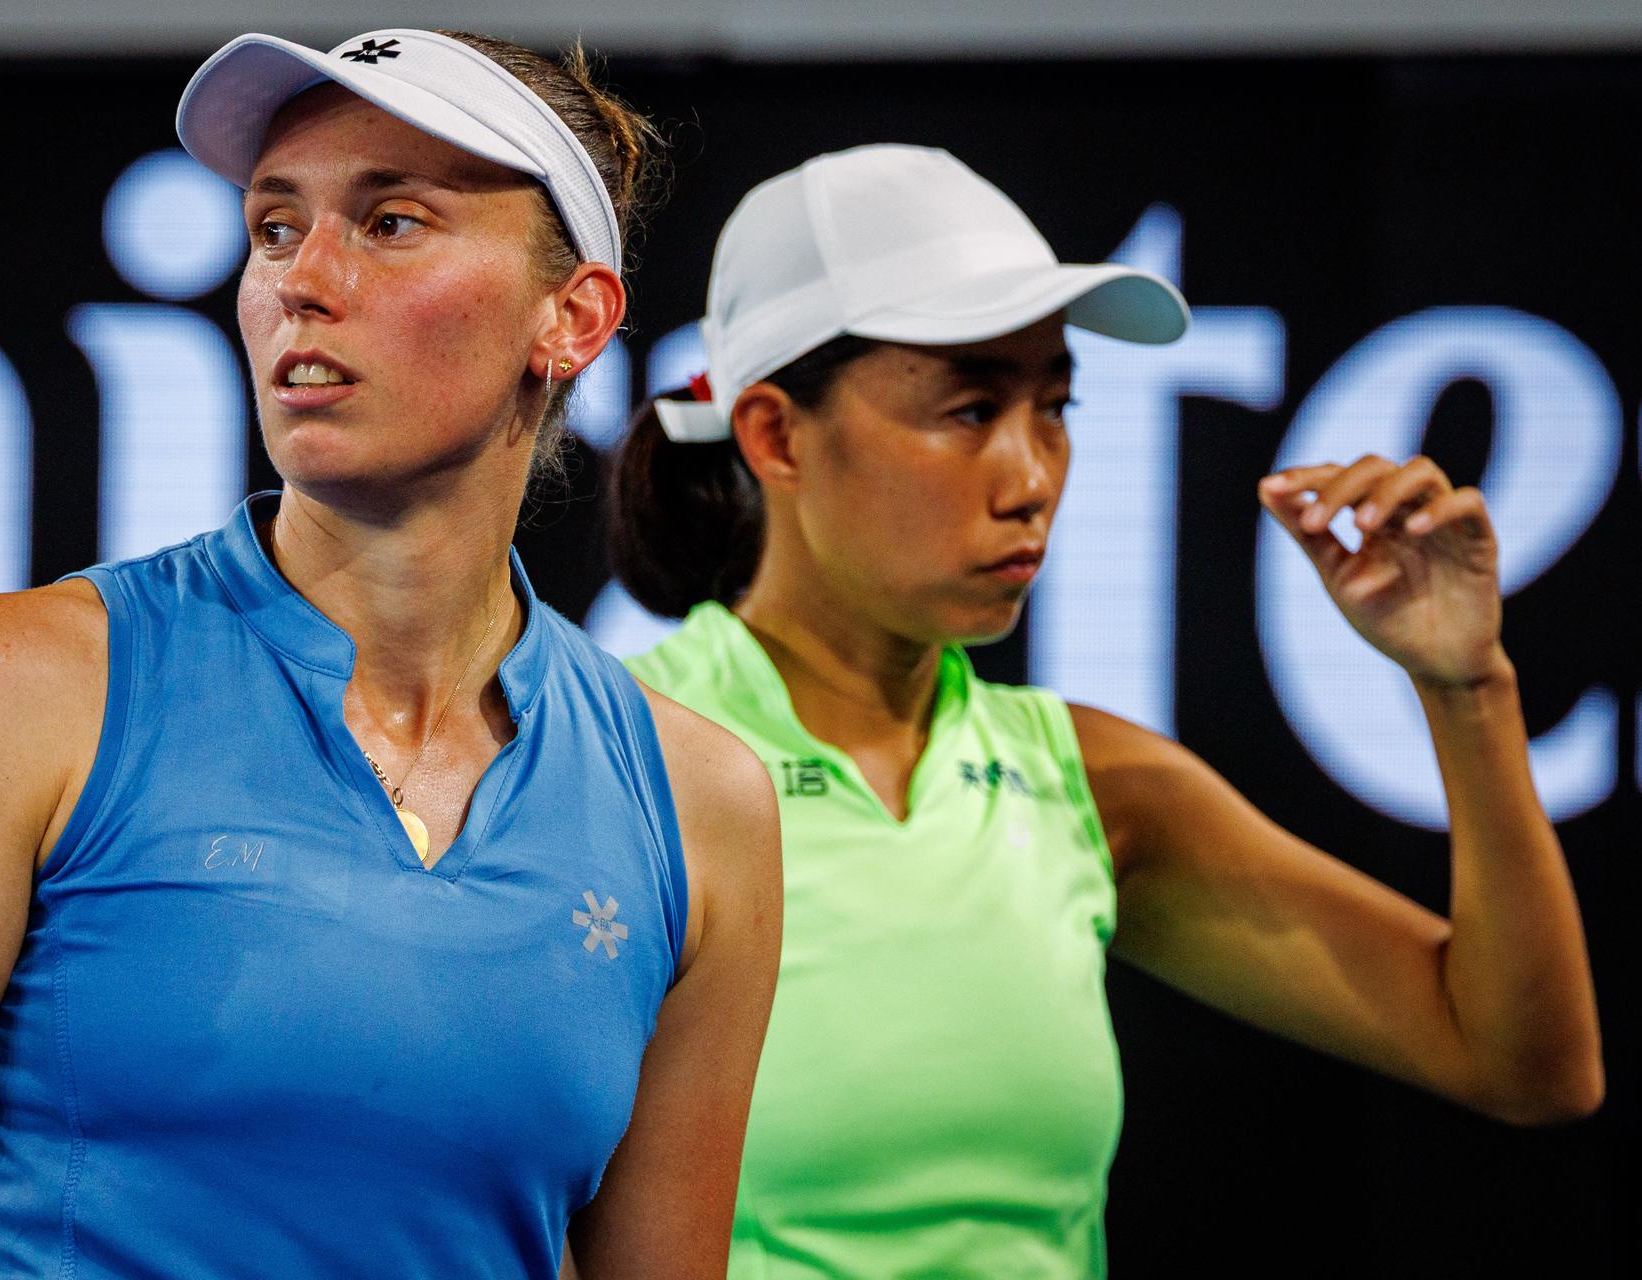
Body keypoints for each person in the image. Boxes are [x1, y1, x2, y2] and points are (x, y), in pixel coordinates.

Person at [0, 29, 781, 1280]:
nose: (304, 278)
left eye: (391, 222)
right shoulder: (2, 692)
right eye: (276, 227)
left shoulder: (701, 804)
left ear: (570, 318)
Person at [609, 144, 1602, 1278]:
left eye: (1054, 406)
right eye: (971, 407)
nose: (1032, 475)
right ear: (776, 434)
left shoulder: (1090, 780)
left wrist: (1466, 685)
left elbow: (1528, 1064)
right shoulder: (617, 759)